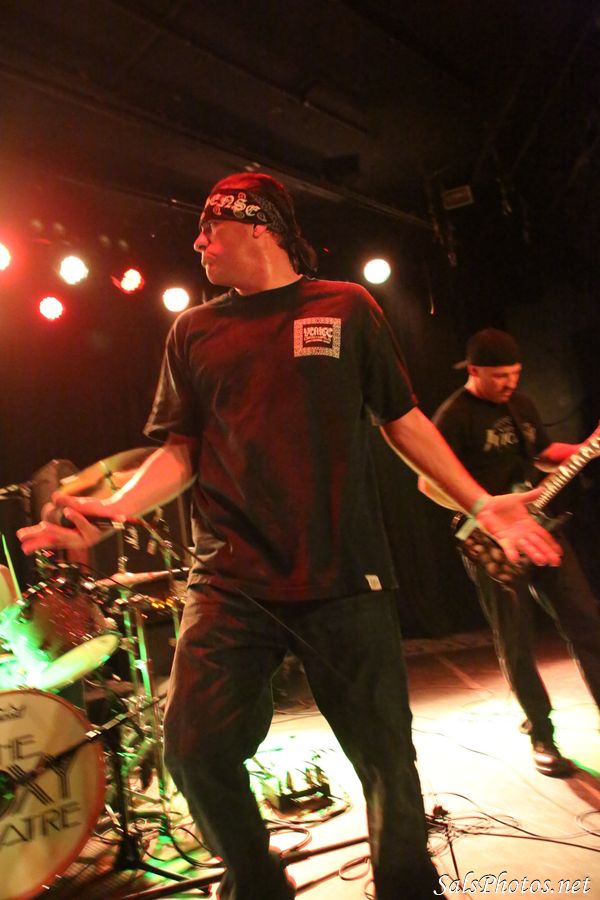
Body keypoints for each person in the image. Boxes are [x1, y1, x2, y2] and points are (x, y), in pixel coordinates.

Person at [18, 176, 562, 900]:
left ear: (258, 225)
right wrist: (114, 509)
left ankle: (405, 886)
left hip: (345, 575)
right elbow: (181, 452)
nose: (197, 242)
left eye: (210, 227)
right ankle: (257, 884)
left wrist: (483, 503)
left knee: (387, 764)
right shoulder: (193, 331)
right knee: (194, 750)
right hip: (231, 580)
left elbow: (401, 421)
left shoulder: (347, 307)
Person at [419, 328, 600, 777]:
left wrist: (586, 449)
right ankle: (541, 733)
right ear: (474, 371)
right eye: (500, 375)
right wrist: (484, 509)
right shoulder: (454, 415)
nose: (510, 383)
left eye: (515, 373)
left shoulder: (521, 405)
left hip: (536, 528)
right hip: (489, 538)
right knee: (516, 641)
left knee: (587, 620)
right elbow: (428, 483)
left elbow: (543, 454)